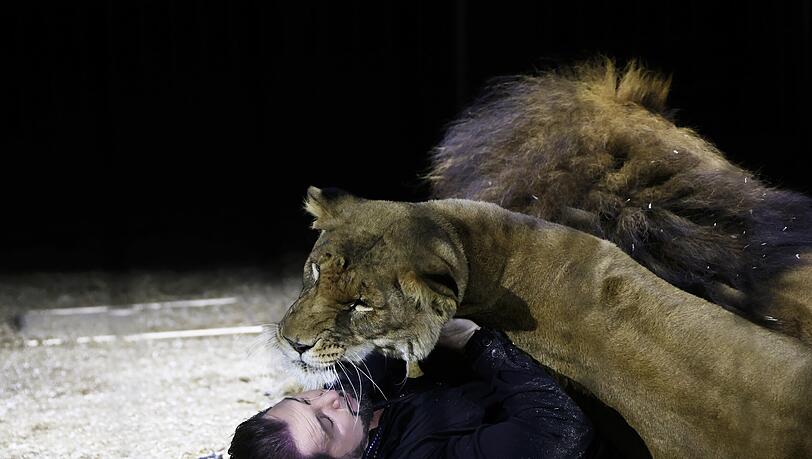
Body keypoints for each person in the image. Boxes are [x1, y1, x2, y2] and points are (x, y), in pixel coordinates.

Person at [228, 319, 594, 458]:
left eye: (305, 399)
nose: (329, 399)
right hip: (584, 399)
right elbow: (561, 432)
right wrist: (476, 342)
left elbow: (371, 348)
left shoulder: (356, 414)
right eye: (325, 423)